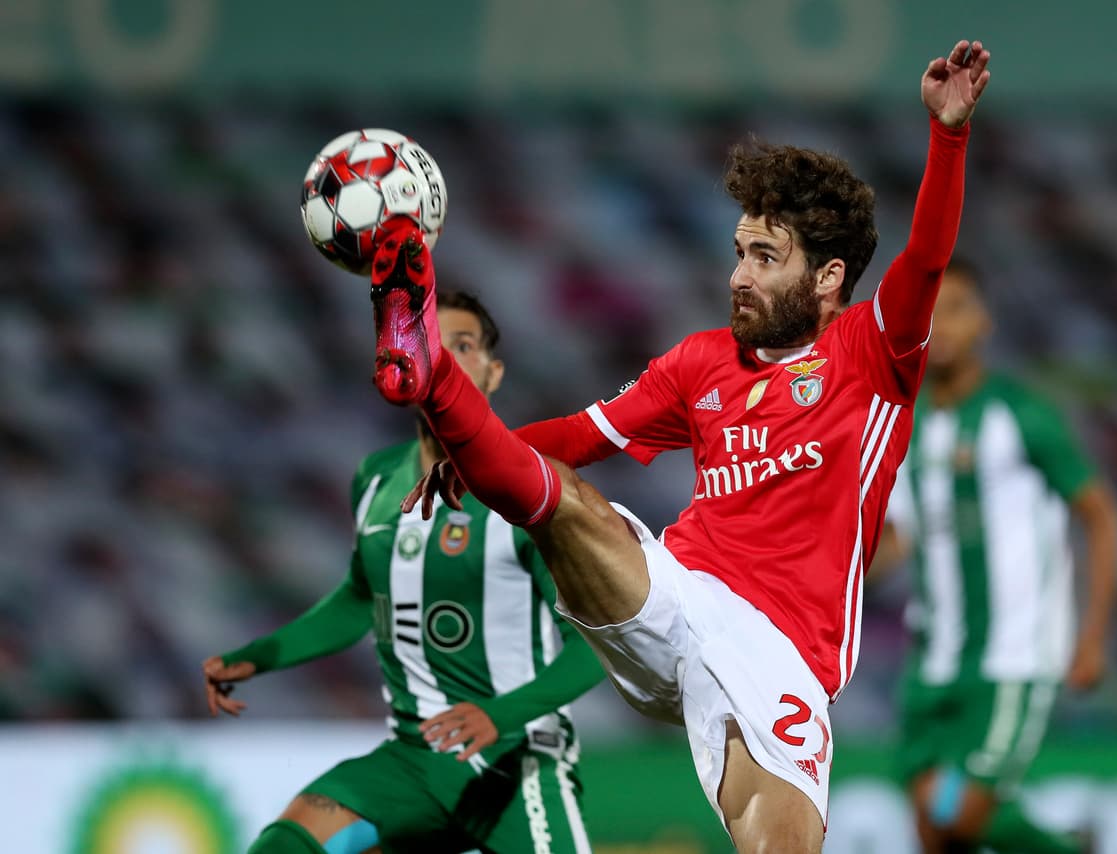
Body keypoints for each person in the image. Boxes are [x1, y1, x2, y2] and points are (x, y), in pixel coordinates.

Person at [368, 40, 991, 853]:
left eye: (765, 258)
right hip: (676, 596)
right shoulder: (699, 362)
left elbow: (929, 257)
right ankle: (431, 377)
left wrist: (948, 136)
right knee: (565, 501)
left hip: (783, 654)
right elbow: (574, 438)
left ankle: (440, 390)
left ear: (830, 278)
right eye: (739, 253)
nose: (739, 274)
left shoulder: (873, 356)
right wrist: (461, 452)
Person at [202, 291, 603, 854]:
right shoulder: (375, 479)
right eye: (432, 343)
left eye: (463, 345)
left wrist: (498, 716)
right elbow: (358, 598)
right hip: (411, 764)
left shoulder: (531, 490)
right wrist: (259, 655)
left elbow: (595, 645)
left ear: (493, 373)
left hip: (514, 766)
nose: (446, 356)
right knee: (285, 845)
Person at [875, 259, 1117, 854]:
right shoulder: (901, 423)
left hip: (1012, 655)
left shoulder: (1021, 413)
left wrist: (1091, 636)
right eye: (928, 314)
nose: (941, 327)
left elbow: (1101, 515)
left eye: (955, 309)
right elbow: (903, 535)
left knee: (961, 814)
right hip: (933, 656)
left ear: (983, 321)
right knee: (933, 830)